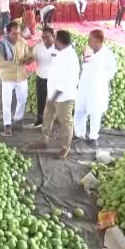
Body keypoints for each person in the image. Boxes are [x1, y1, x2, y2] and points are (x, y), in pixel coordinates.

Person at [41, 29, 80, 159]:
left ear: (59, 41)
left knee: (65, 122)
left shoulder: (69, 58)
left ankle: (65, 148)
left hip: (64, 97)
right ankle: (44, 141)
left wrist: (54, 97)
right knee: (47, 117)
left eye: (55, 38)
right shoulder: (63, 52)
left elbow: (67, 80)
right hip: (53, 94)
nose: (53, 41)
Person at [75, 29, 117, 149]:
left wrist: (100, 80)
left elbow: (111, 71)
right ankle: (79, 133)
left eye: (91, 39)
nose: (88, 41)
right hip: (84, 85)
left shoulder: (107, 54)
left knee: (95, 112)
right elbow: (82, 64)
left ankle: (93, 136)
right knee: (80, 110)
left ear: (99, 41)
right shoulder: (87, 50)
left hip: (97, 88)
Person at [0, 21, 34, 136]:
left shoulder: (22, 41)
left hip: (22, 75)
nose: (17, 36)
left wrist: (29, 59)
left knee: (22, 99)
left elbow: (27, 54)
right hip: (7, 76)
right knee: (6, 101)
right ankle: (7, 124)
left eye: (18, 33)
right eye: (14, 33)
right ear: (7, 32)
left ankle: (18, 119)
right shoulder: (1, 44)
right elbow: (1, 63)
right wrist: (18, 62)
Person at [32, 25, 58, 128]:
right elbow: (32, 58)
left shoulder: (58, 48)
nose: (45, 39)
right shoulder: (38, 47)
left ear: (53, 36)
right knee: (41, 99)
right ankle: (40, 119)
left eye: (47, 37)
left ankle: (51, 121)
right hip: (41, 78)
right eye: (43, 37)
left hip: (54, 79)